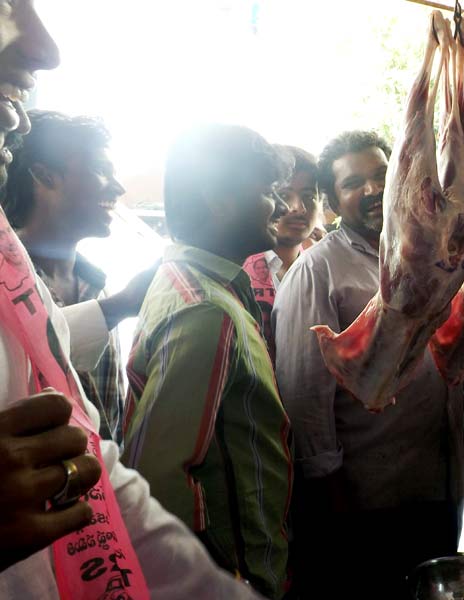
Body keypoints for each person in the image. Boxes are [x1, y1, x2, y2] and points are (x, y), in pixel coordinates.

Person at [0, 4, 264, 598]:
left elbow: (103, 462)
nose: (43, 47)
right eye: (99, 171)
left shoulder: (82, 282)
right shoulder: (181, 303)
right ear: (42, 175)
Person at [273, 130, 464, 597]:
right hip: (362, 501)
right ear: (333, 201)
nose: (374, 190)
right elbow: (303, 396)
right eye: (353, 183)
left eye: (383, 176)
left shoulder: (433, 257)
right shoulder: (317, 270)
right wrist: (333, 495)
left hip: (435, 485)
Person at [122, 124, 292, 599]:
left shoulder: (196, 285)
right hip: (233, 576)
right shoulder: (206, 311)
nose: (279, 207)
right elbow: (159, 476)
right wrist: (219, 582)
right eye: (267, 192)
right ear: (220, 199)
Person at [2, 110, 130, 446]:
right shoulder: (6, 284)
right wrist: (118, 307)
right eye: (101, 171)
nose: (118, 188)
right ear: (44, 176)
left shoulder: (98, 284)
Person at [242, 144, 320, 358]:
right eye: (285, 195)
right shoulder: (237, 268)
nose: (298, 208)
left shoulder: (323, 268)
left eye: (308, 196)